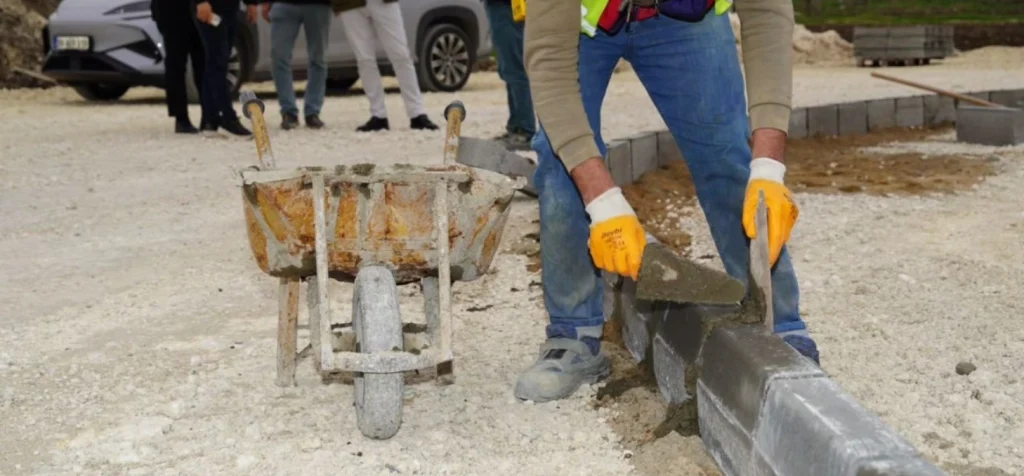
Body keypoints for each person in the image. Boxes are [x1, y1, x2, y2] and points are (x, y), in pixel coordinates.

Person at [514, 0, 820, 403]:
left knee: (725, 153)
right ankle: (575, 332)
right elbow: (550, 63)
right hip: (584, 21)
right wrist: (604, 203)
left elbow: (766, 14)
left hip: (684, 16)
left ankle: (776, 320)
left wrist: (768, 168)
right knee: (559, 161)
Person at [334, 0, 439, 132]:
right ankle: (378, 114)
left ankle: (416, 113)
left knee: (401, 55)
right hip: (349, 4)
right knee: (364, 59)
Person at [251, 0, 331, 130]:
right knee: (279, 57)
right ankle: (288, 111)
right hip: (283, 4)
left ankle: (313, 111)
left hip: (318, 5)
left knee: (318, 59)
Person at [193, 0, 255, 136]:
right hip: (210, 9)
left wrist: (251, 3)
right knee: (218, 63)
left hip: (231, 10)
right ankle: (228, 117)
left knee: (216, 63)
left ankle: (210, 120)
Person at [483, 0, 536, 151]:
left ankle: (525, 129)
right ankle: (516, 126)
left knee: (514, 67)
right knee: (509, 67)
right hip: (502, 6)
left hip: (507, 6)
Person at [152, 0, 206, 134]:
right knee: (176, 65)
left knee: (203, 64)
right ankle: (181, 117)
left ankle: (209, 115)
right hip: (172, 11)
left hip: (198, 10)